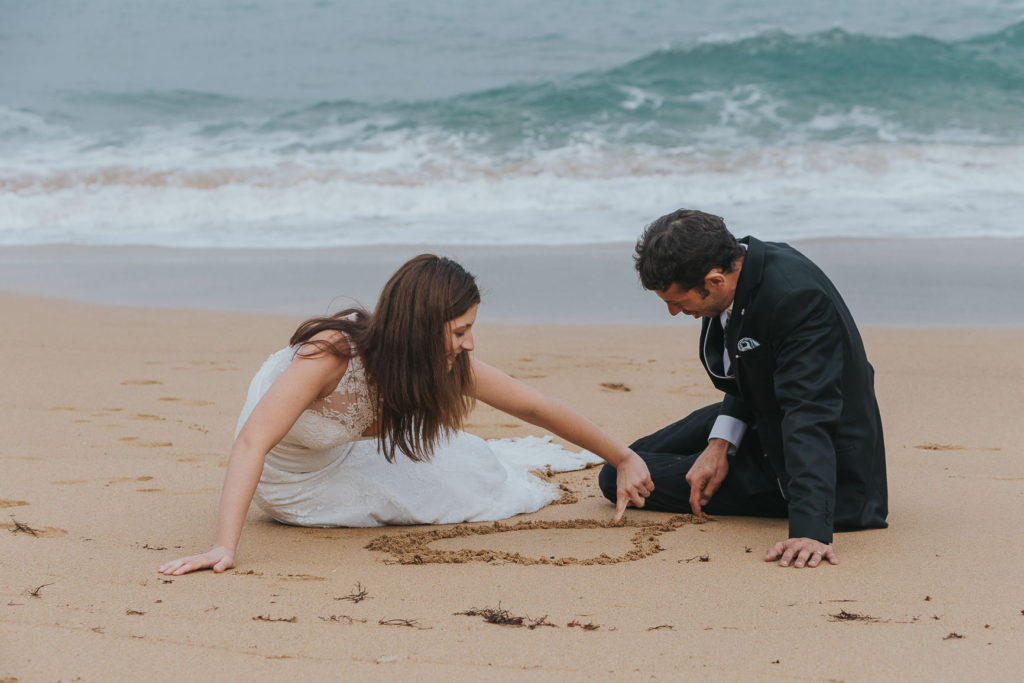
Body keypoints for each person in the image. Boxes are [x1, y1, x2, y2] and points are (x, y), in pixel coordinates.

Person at [160, 254, 653, 576]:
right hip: (287, 477)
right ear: (421, 326)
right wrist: (223, 547)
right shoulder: (331, 354)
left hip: (342, 452)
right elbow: (252, 443)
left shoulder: (438, 360)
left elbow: (533, 405)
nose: (470, 342)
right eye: (460, 330)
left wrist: (623, 456)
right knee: (446, 497)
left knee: (477, 475)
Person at [599, 209, 887, 569]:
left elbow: (809, 413)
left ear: (715, 280)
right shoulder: (748, 264)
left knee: (614, 479)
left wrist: (810, 529)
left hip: (817, 469)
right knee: (627, 459)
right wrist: (720, 444)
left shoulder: (796, 300)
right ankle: (721, 449)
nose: (673, 312)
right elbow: (749, 372)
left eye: (678, 301)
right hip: (758, 414)